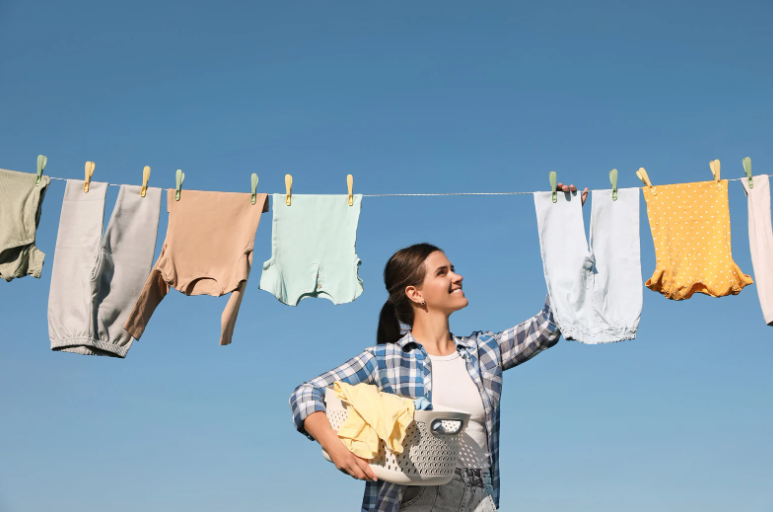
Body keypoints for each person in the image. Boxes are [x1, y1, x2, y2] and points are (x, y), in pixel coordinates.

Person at [290, 185, 587, 511]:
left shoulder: (483, 351)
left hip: (480, 497)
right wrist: (335, 447)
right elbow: (306, 393)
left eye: (453, 269)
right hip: (416, 497)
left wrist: (566, 231)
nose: (458, 277)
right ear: (415, 293)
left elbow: (548, 325)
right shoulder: (385, 359)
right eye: (443, 272)